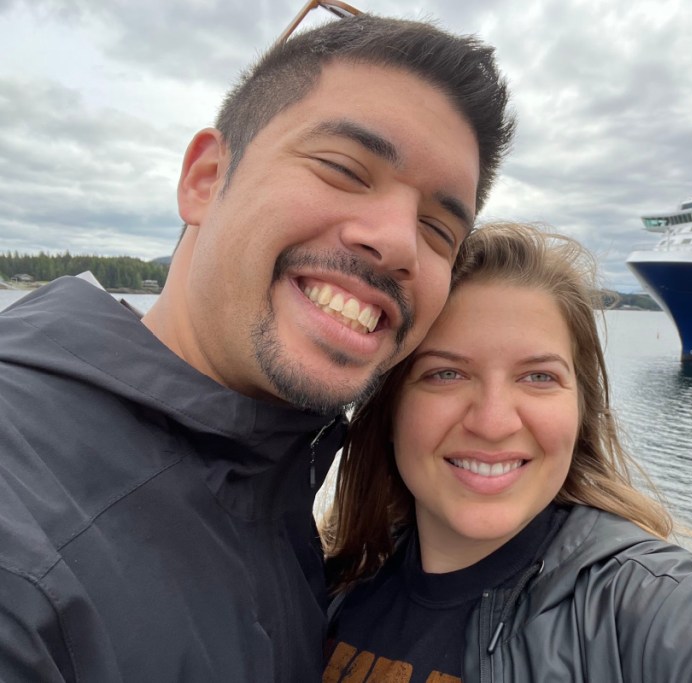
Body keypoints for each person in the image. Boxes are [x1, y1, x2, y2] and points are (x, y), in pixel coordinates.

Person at [0, 3, 514, 681]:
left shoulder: (271, 476)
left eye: (439, 230)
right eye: (344, 168)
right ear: (205, 180)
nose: (396, 243)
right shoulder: (25, 530)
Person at [320, 222, 692, 682]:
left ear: (580, 409)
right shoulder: (333, 583)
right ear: (389, 408)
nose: (494, 421)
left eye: (539, 376)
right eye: (446, 373)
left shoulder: (645, 606)